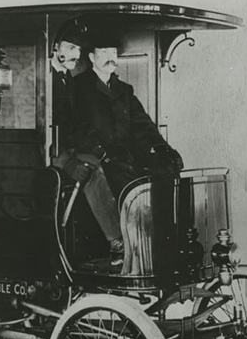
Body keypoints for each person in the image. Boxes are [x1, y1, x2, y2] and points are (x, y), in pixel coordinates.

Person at [71, 25, 184, 198]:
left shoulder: (124, 90)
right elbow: (78, 129)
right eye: (105, 52)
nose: (111, 58)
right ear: (92, 57)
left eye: (114, 53)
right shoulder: (79, 88)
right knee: (125, 180)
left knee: (167, 168)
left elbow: (142, 124)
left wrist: (163, 149)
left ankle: (165, 224)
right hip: (101, 158)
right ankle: (132, 224)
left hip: (128, 155)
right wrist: (103, 153)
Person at [50, 20, 124, 265]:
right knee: (91, 172)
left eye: (78, 50)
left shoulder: (68, 79)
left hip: (70, 150)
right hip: (49, 155)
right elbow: (42, 129)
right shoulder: (44, 79)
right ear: (55, 48)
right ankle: (116, 241)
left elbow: (72, 126)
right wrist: (67, 162)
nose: (76, 54)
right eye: (71, 48)